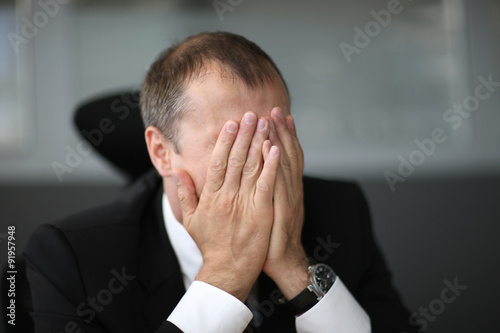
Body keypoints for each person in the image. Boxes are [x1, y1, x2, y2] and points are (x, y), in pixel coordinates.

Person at [24, 31, 417, 333]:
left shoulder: (339, 209)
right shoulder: (69, 258)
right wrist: (224, 276)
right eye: (233, 144)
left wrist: (298, 271)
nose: (263, 165)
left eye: (274, 136)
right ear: (162, 152)